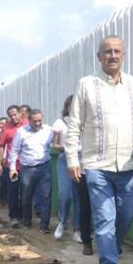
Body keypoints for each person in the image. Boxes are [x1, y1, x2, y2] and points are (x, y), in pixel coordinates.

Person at [65, 35, 133, 264]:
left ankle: (110, 249)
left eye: (117, 51)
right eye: (107, 52)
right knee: (105, 221)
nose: (112, 55)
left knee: (126, 217)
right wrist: (72, 159)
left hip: (128, 165)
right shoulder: (87, 85)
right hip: (97, 166)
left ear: (123, 55)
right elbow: (74, 126)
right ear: (99, 57)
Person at [9, 109, 53, 232]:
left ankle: (45, 225)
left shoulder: (48, 130)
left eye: (40, 120)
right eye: (35, 121)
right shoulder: (21, 132)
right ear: (29, 120)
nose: (38, 123)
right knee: (26, 196)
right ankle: (27, 221)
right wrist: (12, 168)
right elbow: (14, 151)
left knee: (46, 196)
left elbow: (56, 143)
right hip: (27, 169)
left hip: (44, 167)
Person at [51, 95, 82, 243]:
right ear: (67, 107)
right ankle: (62, 222)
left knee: (79, 197)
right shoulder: (60, 122)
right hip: (65, 160)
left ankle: (77, 229)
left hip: (83, 160)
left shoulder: (86, 121)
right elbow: (54, 145)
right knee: (65, 195)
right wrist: (68, 147)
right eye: (72, 106)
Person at [0, 105, 28, 227]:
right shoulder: (6, 127)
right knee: (13, 192)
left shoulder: (27, 124)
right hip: (12, 166)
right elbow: (1, 146)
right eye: (10, 115)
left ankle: (25, 216)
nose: (13, 117)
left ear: (21, 113)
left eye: (15, 114)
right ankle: (14, 217)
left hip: (27, 165)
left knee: (25, 192)